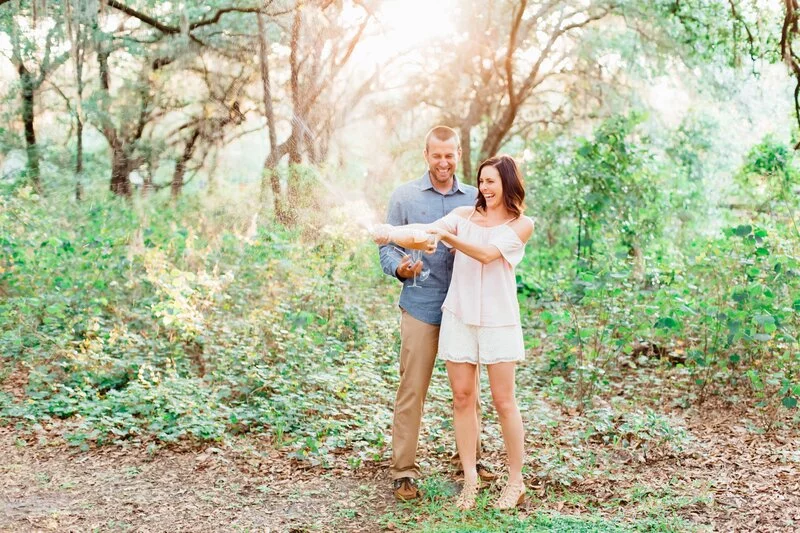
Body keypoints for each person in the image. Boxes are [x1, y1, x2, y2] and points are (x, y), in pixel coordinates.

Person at [374, 154, 534, 510]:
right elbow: (427, 231)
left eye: (491, 181)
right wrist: (386, 233)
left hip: (498, 319)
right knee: (462, 398)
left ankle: (515, 482)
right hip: (459, 315)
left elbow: (487, 254)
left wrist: (449, 236)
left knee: (503, 401)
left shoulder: (522, 224)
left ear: (507, 182)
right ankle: (470, 481)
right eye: (481, 181)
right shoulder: (463, 216)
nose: (484, 188)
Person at [378, 126, 495, 502]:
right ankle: (403, 471)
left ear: (458, 154)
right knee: (412, 390)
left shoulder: (478, 197)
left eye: (449, 155)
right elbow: (386, 249)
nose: (443, 162)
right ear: (426, 155)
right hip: (421, 307)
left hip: (464, 307)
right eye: (436, 155)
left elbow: (488, 245)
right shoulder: (404, 197)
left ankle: (472, 464)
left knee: (468, 393)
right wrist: (402, 269)